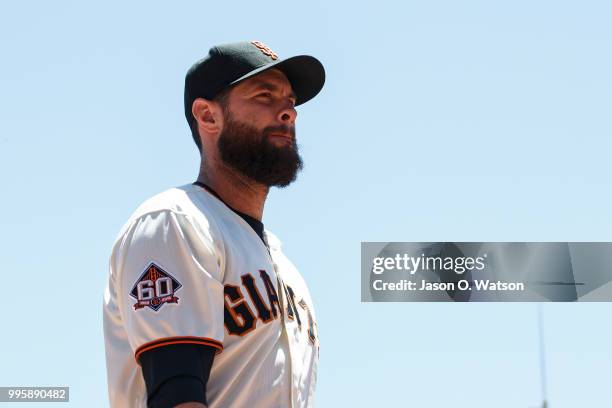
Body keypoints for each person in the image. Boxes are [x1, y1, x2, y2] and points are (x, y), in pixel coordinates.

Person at [103, 41, 325, 408]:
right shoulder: (175, 220)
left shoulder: (287, 270)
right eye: (265, 95)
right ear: (208, 116)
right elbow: (176, 395)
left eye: (290, 101)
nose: (288, 112)